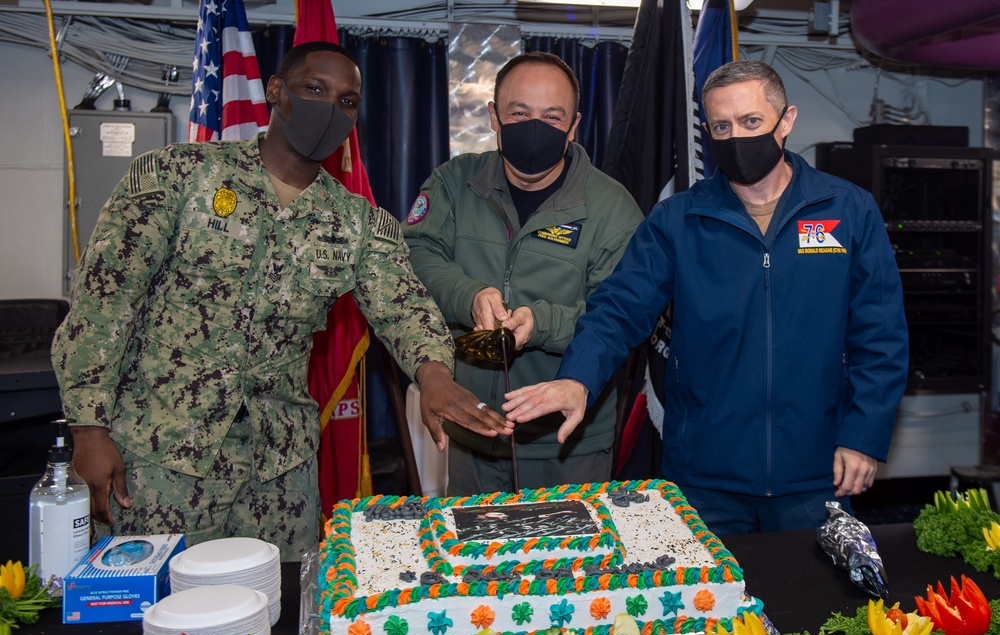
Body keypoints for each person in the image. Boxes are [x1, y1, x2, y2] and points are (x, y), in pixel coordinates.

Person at [51, 41, 512, 561]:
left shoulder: (356, 221)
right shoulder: (178, 176)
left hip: (279, 474)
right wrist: (88, 428)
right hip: (159, 458)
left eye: (347, 102)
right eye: (314, 89)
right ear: (276, 91)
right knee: (150, 621)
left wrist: (432, 374)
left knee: (275, 621)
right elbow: (103, 304)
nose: (330, 109)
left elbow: (405, 308)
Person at [503, 60, 908, 534]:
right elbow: (618, 309)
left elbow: (880, 336)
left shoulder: (848, 209)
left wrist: (863, 437)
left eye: (751, 122)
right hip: (704, 477)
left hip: (815, 473)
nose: (736, 137)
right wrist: (577, 379)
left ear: (787, 121)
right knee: (706, 606)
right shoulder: (679, 219)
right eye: (721, 126)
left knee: (812, 604)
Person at [402, 52, 643, 495]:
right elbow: (414, 254)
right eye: (520, 113)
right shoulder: (456, 182)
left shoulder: (612, 208)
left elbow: (620, 314)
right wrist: (467, 294)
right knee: (474, 563)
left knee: (567, 564)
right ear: (494, 116)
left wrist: (541, 323)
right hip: (472, 429)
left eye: (553, 117)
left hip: (566, 443)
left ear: (574, 125)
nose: (536, 128)